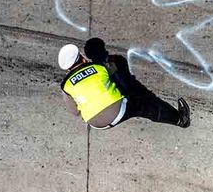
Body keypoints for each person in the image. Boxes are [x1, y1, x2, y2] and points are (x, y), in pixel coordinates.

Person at [59, 42, 190, 129]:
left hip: (95, 123)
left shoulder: (66, 85)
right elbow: (122, 81)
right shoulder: (98, 67)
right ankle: (181, 120)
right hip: (116, 111)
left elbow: (75, 112)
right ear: (81, 58)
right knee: (146, 105)